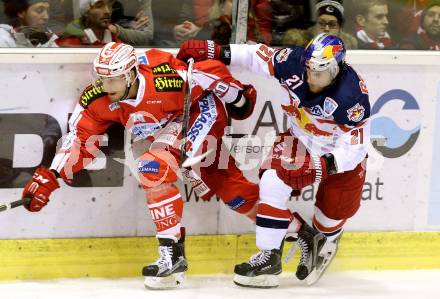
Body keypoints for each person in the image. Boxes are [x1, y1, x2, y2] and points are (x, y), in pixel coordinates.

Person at [21, 42, 260, 289]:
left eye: (112, 79)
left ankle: (171, 256)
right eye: (101, 78)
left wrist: (238, 97)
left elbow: (206, 73)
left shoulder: (165, 80)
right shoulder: (97, 97)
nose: (105, 86)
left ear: (131, 74)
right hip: (165, 131)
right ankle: (291, 231)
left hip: (201, 114)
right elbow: (79, 139)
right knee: (234, 192)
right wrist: (51, 175)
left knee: (152, 167)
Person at [177, 34, 370, 288]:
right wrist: (217, 51)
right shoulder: (293, 61)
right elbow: (256, 56)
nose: (311, 78)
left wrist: (322, 166)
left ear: (336, 69)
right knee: (271, 183)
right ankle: (269, 258)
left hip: (339, 159)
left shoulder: (352, 96)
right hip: (299, 141)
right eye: (309, 70)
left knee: (330, 220)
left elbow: (356, 146)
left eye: (319, 73)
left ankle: (324, 240)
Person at [57, 0, 152, 47]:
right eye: (99, 6)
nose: (107, 11)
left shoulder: (118, 41)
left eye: (110, 6)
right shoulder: (72, 43)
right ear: (86, 12)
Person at [283, 0, 358, 49]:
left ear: (340, 28)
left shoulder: (349, 43)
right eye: (321, 23)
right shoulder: (297, 40)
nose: (326, 28)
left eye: (332, 24)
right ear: (315, 25)